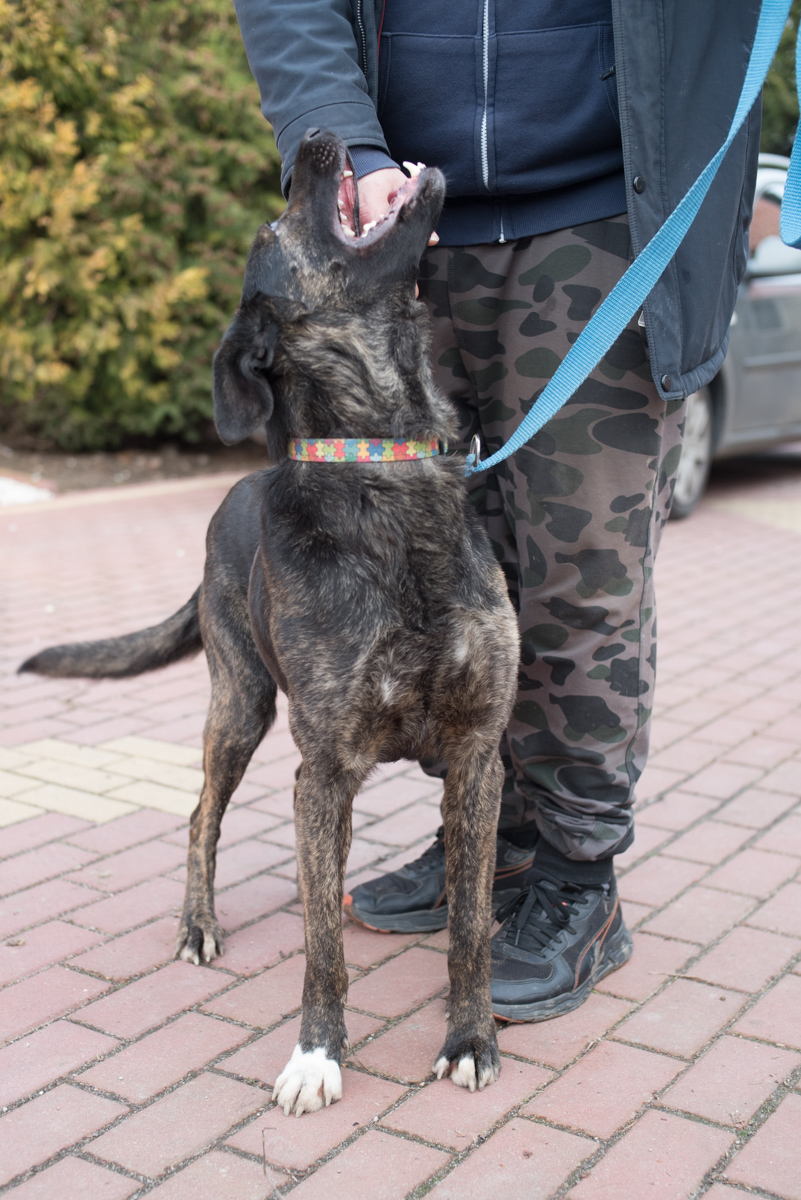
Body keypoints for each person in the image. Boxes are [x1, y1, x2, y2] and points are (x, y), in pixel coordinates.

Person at [232, 0, 761, 1020]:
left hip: (609, 222)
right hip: (404, 231)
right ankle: (493, 844)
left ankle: (576, 875)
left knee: (584, 574)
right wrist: (348, 146)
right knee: (439, 581)